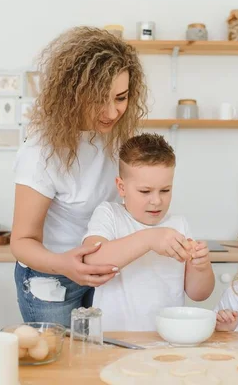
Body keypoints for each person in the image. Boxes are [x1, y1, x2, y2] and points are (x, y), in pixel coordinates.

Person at [10, 26, 150, 327]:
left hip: (106, 272)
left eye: (121, 97)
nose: (112, 112)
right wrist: (65, 264)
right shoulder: (40, 153)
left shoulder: (118, 138)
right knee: (60, 370)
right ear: (72, 95)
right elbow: (21, 241)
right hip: (52, 279)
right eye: (99, 99)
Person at [82, 133, 215, 331]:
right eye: (145, 191)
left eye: (165, 190)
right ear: (122, 187)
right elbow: (92, 261)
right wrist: (149, 239)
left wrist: (201, 267)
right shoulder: (109, 214)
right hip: (114, 339)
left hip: (167, 338)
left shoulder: (179, 224)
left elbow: (199, 294)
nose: (156, 201)